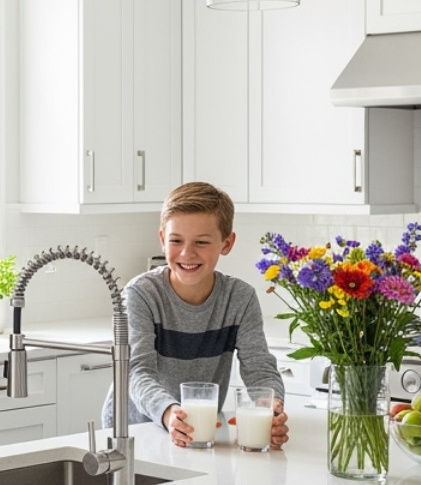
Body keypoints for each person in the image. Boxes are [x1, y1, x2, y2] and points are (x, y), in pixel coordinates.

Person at [103, 181, 290, 449]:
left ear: (227, 243)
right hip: (136, 430)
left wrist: (270, 409)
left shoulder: (240, 298)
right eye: (176, 240)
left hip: (198, 434)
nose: (186, 253)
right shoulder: (140, 294)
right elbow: (137, 371)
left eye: (201, 242)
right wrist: (169, 414)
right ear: (162, 239)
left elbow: (259, 368)